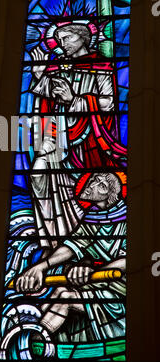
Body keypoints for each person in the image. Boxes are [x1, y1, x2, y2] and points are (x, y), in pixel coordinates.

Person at [30, 22, 127, 245]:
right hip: (57, 134)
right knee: (38, 175)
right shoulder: (58, 66)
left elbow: (109, 103)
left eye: (66, 38)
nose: (61, 44)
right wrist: (39, 76)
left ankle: (84, 243)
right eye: (58, 40)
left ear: (83, 38)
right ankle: (53, 241)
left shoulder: (100, 66)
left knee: (85, 188)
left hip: (90, 139)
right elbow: (48, 96)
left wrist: (75, 100)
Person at [16, 172, 126, 342]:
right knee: (57, 292)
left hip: (119, 293)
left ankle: (35, 343)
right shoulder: (93, 219)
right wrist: (40, 267)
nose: (86, 184)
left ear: (104, 190)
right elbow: (70, 247)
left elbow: (126, 261)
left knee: (65, 298)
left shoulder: (128, 221)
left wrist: (91, 274)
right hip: (97, 286)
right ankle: (46, 336)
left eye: (93, 182)